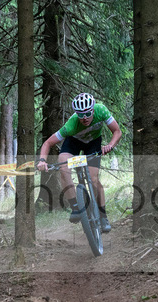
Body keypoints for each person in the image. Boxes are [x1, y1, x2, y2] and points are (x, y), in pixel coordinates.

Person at [37, 93, 121, 233]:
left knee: (93, 179)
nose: (85, 118)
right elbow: (47, 143)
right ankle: (75, 207)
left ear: (93, 110)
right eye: (81, 114)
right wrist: (42, 161)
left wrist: (110, 145)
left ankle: (103, 216)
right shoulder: (71, 125)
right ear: (76, 114)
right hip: (73, 142)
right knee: (63, 165)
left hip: (93, 143)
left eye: (88, 113)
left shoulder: (101, 110)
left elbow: (117, 131)